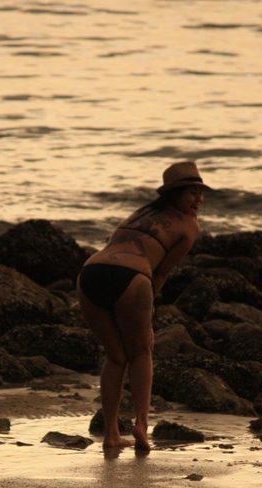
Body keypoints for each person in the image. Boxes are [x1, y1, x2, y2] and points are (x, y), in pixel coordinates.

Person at [77, 161, 211, 452]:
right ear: (175, 194)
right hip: (132, 277)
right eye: (192, 193)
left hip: (90, 274)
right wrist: (148, 321)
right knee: (141, 351)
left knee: (115, 357)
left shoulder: (140, 213)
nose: (199, 199)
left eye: (201, 193)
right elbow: (160, 273)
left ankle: (112, 434)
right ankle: (141, 424)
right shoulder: (189, 225)